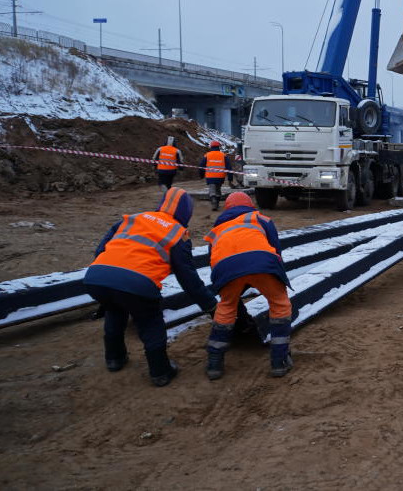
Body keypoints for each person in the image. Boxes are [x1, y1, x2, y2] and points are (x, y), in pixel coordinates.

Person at [84, 187, 217, 387]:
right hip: (138, 284)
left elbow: (100, 249)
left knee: (115, 309)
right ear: (185, 213)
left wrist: (109, 278)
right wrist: (210, 306)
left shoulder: (132, 219)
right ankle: (160, 371)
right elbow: (188, 278)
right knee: (150, 321)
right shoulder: (177, 233)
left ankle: (114, 359)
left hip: (97, 276)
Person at [204, 191, 293, 379]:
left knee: (226, 307)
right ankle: (279, 361)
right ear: (249, 205)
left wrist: (227, 286)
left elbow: (213, 259)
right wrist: (280, 279)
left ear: (227, 208)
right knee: (279, 303)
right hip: (262, 263)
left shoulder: (218, 227)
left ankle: (214, 363)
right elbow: (276, 251)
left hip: (226, 269)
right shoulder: (261, 219)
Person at [198, 141, 232, 211]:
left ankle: (213, 200)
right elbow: (229, 167)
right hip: (220, 176)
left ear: (211, 147)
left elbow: (201, 166)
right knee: (218, 189)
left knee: (212, 189)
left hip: (210, 176)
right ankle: (217, 202)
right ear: (218, 147)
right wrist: (230, 178)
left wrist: (201, 175)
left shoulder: (207, 155)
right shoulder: (223, 155)